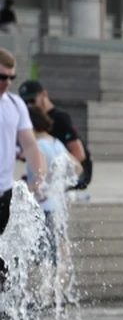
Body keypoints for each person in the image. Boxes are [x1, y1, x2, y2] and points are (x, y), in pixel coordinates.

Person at [0, 48, 45, 294]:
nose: (6, 82)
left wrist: (37, 177)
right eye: (1, 77)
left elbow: (29, 143)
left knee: (6, 264)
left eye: (11, 78)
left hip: (4, 193)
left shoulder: (15, 104)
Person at [26, 105, 82, 299]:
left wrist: (25, 187)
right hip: (57, 205)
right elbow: (77, 167)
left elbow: (39, 177)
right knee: (58, 251)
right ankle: (60, 292)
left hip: (43, 207)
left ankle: (45, 294)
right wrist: (60, 186)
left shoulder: (38, 145)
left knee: (45, 255)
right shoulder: (56, 142)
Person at [19, 80, 93, 190]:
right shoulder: (34, 118)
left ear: (44, 94)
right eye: (25, 103)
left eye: (32, 100)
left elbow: (80, 155)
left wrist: (50, 175)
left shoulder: (60, 119)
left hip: (77, 172)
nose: (29, 105)